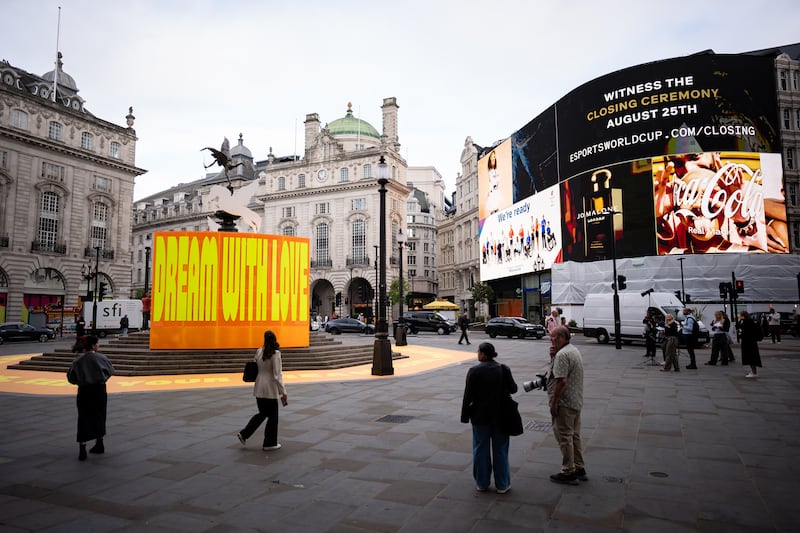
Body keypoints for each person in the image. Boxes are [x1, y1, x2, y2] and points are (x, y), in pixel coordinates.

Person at [460, 342, 517, 494]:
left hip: (480, 416)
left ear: (484, 354)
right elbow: (514, 389)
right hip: (501, 416)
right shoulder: (504, 369)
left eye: (478, 351)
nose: (477, 354)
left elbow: (468, 396)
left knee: (480, 450)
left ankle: (482, 483)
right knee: (500, 450)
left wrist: (465, 416)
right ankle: (502, 484)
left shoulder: (474, 371)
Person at [547, 326, 587, 485]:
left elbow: (561, 380)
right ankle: (579, 467)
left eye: (554, 337)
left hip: (564, 403)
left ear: (563, 338)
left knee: (564, 437)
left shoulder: (562, 355)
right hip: (575, 400)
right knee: (574, 436)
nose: (551, 339)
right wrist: (552, 357)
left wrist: (554, 402)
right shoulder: (572, 350)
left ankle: (568, 471)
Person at [67, 335, 115, 461]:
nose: (98, 345)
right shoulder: (101, 358)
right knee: (99, 415)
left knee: (83, 417)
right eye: (97, 344)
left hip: (84, 391)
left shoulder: (78, 361)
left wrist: (81, 381)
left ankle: (82, 449)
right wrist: (102, 378)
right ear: (93, 345)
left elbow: (71, 378)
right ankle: (99, 443)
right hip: (99, 390)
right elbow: (110, 371)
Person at [237, 330, 288, 451]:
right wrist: (283, 392)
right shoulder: (276, 354)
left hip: (259, 387)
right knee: (273, 417)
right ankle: (269, 443)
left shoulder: (259, 351)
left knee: (263, 413)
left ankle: (245, 434)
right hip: (270, 389)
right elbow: (277, 375)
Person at [737, 311, 762, 378]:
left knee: (751, 357)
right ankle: (753, 371)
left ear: (742, 315)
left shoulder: (747, 321)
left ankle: (754, 372)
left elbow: (744, 330)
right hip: (748, 341)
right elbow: (738, 326)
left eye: (739, 315)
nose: (738, 316)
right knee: (750, 357)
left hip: (749, 342)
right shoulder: (746, 321)